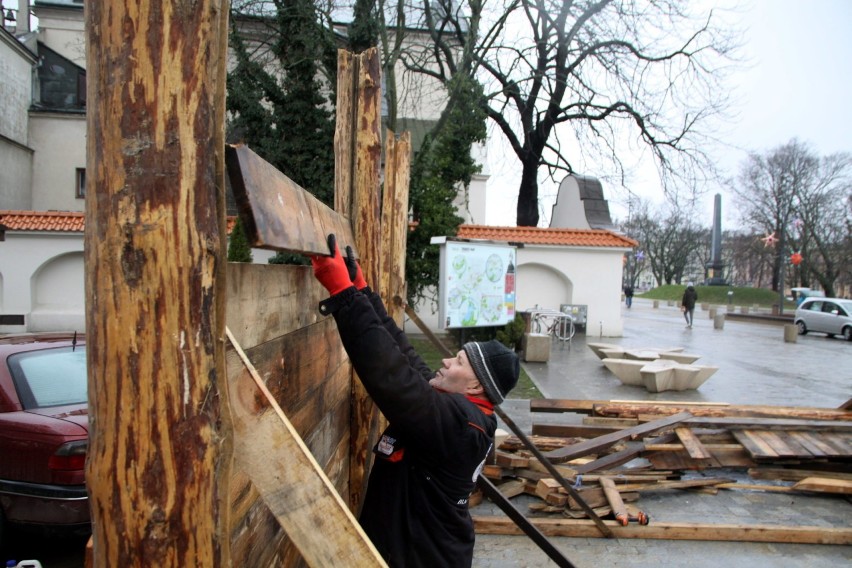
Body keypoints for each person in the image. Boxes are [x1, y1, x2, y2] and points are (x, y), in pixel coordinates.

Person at [310, 235, 520, 568]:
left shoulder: (462, 426)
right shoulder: (458, 409)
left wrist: (343, 296)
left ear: (477, 385)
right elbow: (404, 356)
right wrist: (363, 294)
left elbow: (394, 379)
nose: (448, 362)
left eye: (460, 362)